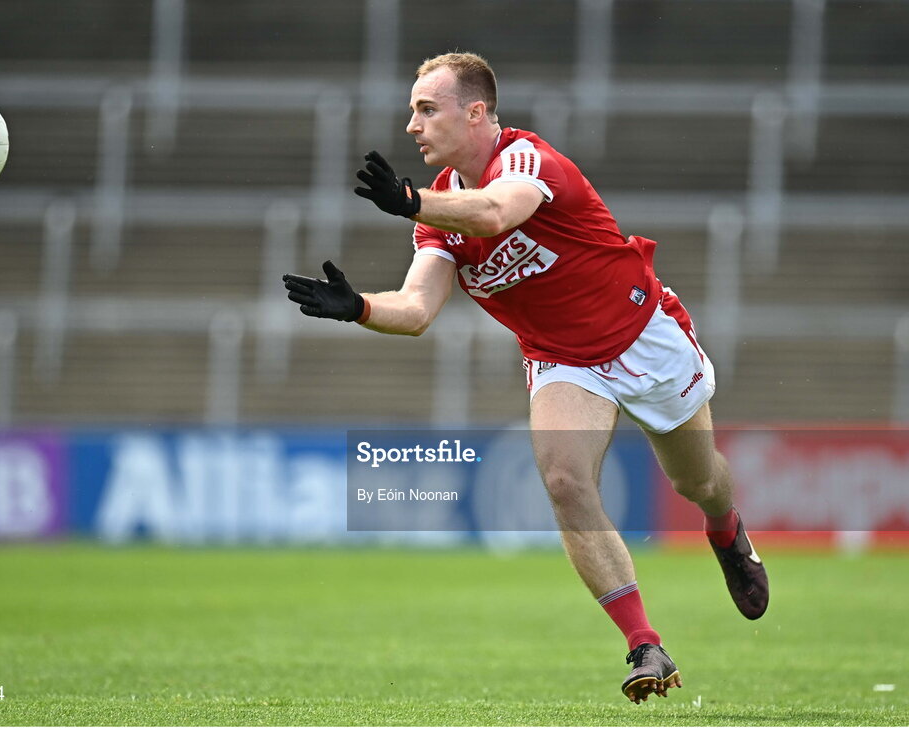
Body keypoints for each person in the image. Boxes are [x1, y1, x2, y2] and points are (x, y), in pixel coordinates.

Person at [283, 51, 768, 704]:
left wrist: (406, 199)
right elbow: (419, 309)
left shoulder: (526, 161)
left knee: (696, 480)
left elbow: (493, 214)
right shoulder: (437, 214)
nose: (412, 126)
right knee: (565, 480)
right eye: (410, 112)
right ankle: (643, 642)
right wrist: (361, 308)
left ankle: (725, 529)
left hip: (643, 333)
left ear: (475, 112)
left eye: (427, 109)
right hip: (564, 361)